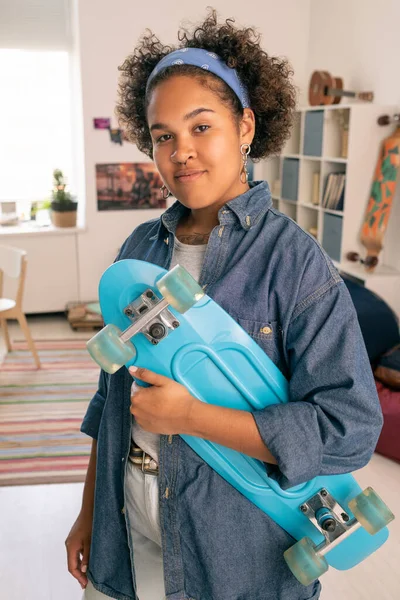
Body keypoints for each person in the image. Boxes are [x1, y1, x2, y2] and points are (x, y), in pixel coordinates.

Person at [65, 9, 384, 600]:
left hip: (237, 554)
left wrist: (191, 418)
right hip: (127, 533)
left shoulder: (294, 262)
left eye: (201, 127)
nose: (181, 152)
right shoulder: (140, 250)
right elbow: (110, 398)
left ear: (245, 126)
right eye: (164, 136)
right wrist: (89, 514)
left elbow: (350, 428)